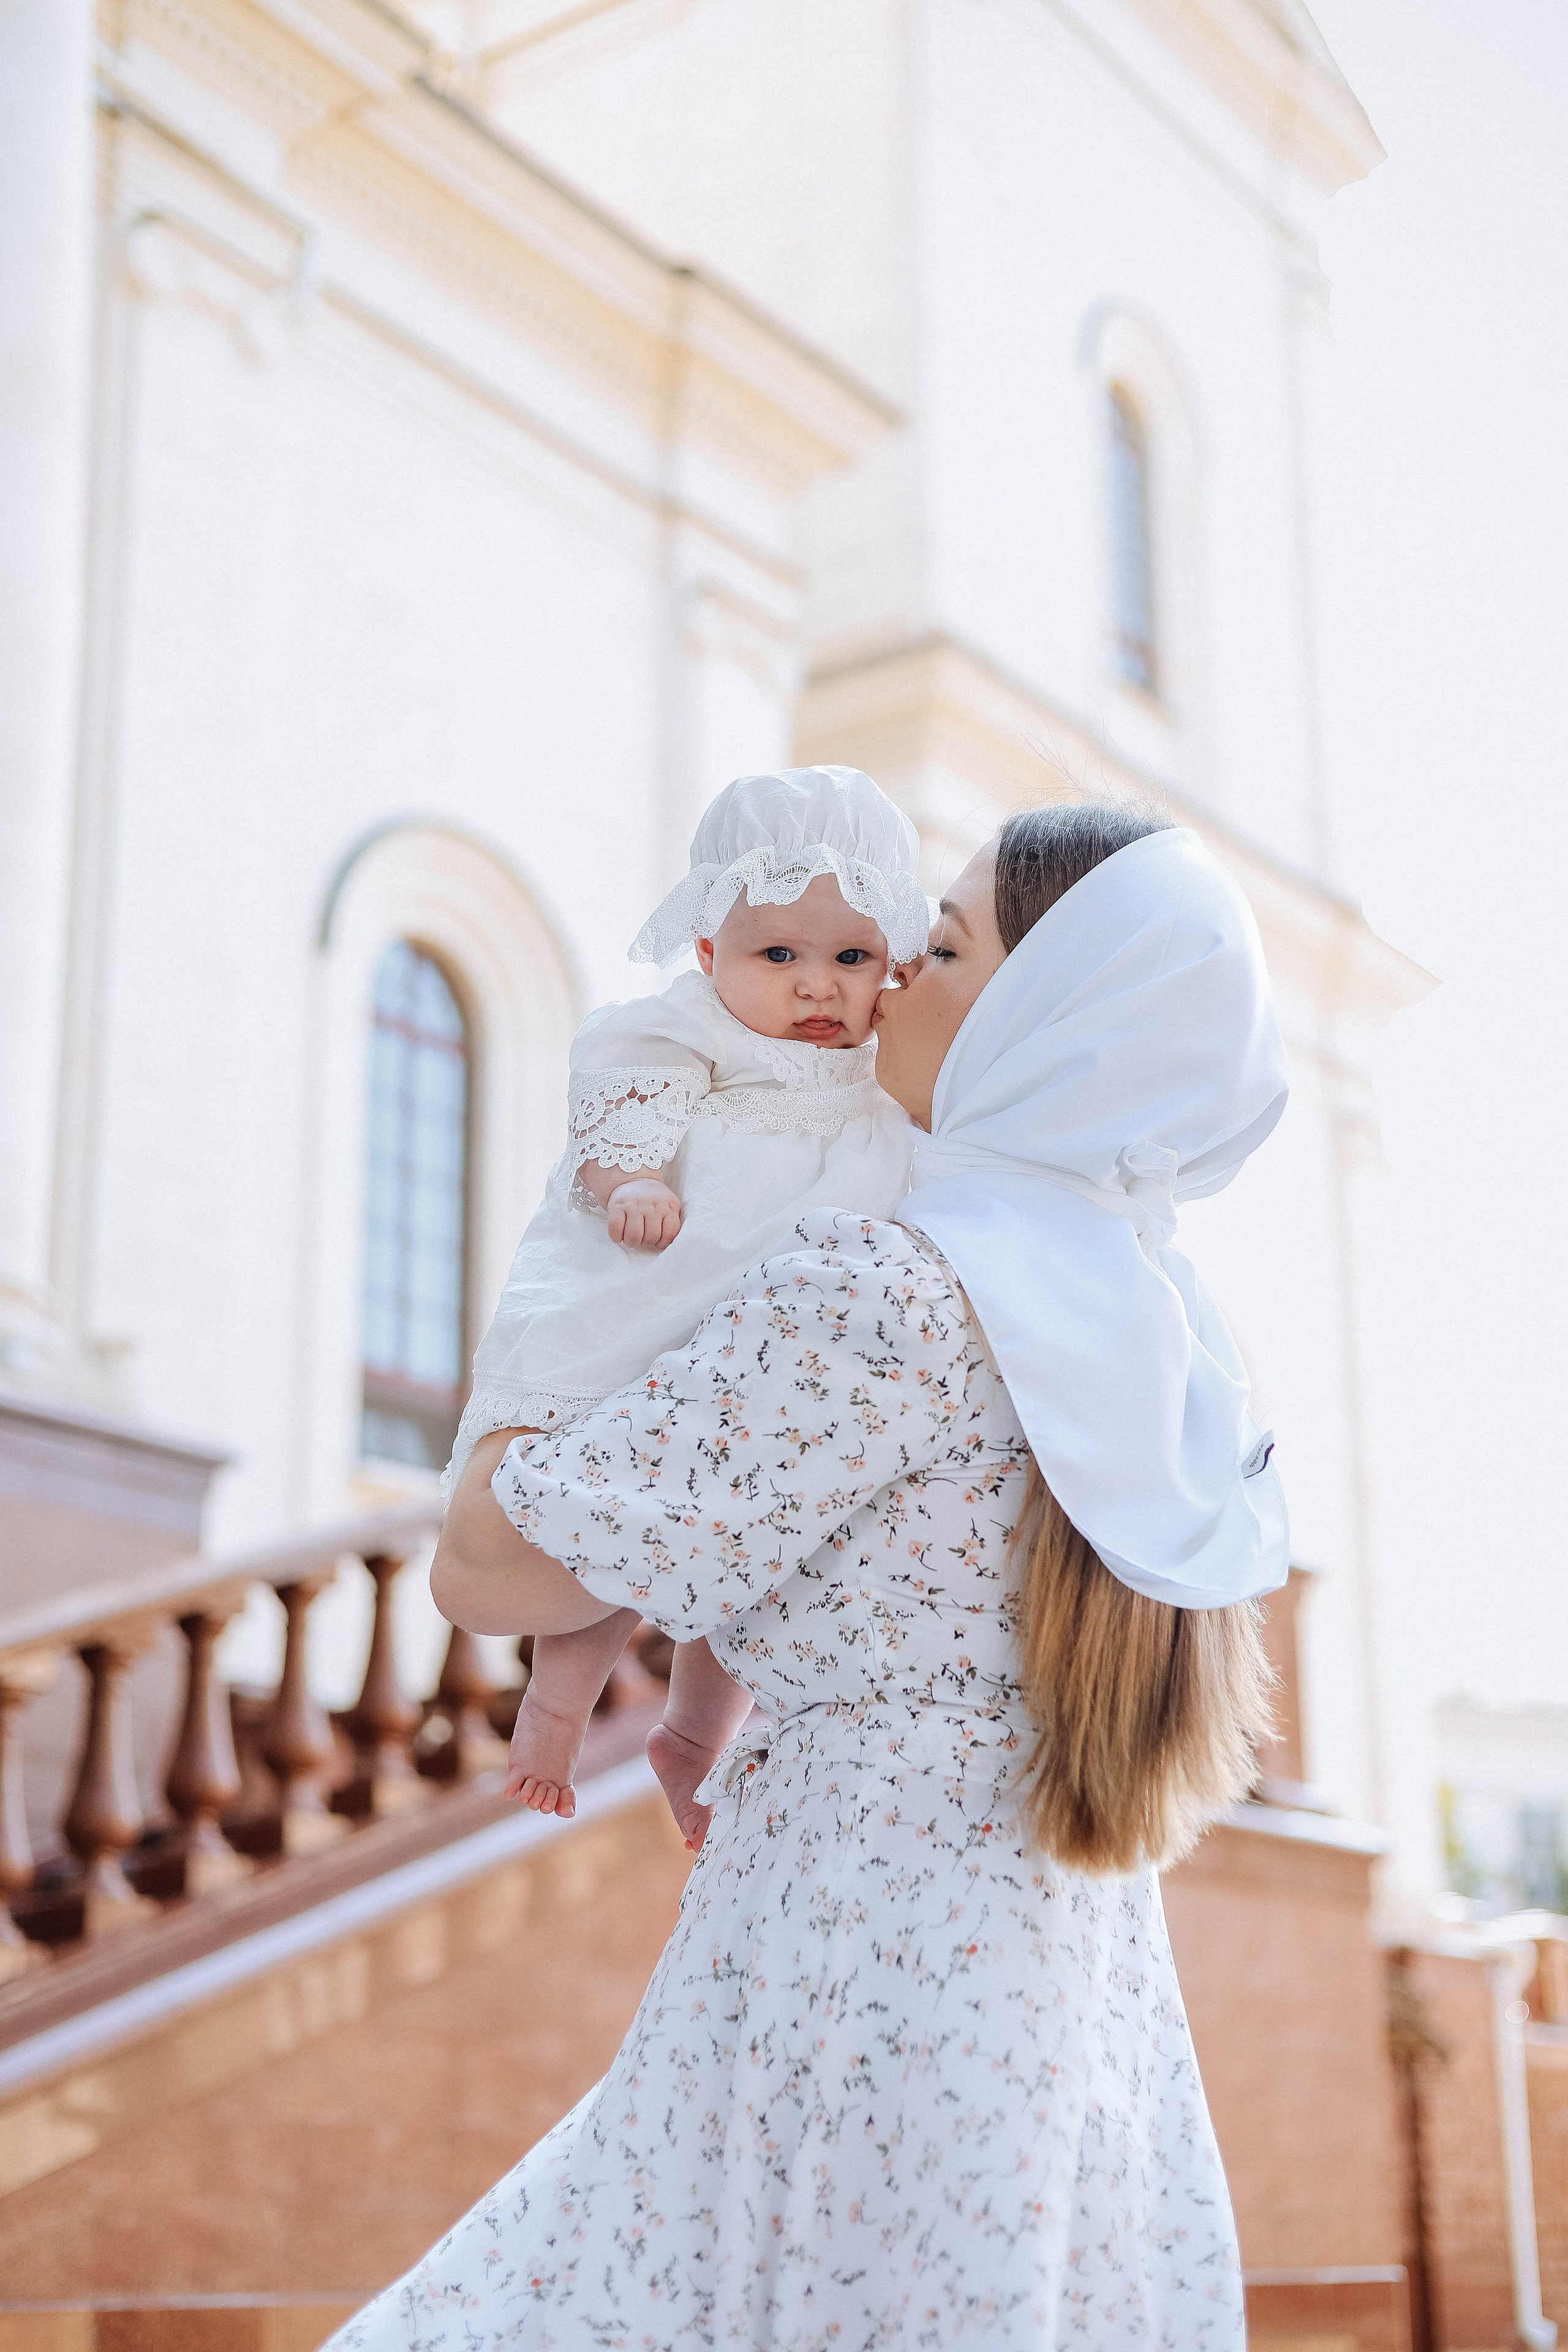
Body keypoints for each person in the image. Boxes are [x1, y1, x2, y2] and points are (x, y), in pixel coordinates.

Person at [331, 801, 1289, 2351]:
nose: (893, 968)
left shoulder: (888, 1292)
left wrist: (552, 1324)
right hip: (1052, 1984)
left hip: (850, 1970)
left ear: (1038, 1019)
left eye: (946, 941)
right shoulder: (1167, 1332)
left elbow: (488, 1569)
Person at [445, 767, 929, 1833]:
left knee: (748, 1545)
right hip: (670, 1305)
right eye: (780, 956)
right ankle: (556, 1708)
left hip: (779, 1346)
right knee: (621, 1524)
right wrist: (631, 1179)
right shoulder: (697, 1033)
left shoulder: (884, 1077)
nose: (816, 988)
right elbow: (622, 1098)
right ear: (711, 956)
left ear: (892, 963)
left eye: (851, 958)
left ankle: (696, 1735)